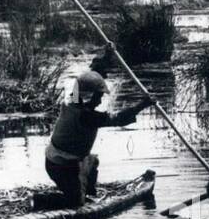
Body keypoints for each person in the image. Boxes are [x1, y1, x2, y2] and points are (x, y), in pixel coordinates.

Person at [45, 67, 152, 206]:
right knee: (76, 202)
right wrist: (143, 104)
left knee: (92, 161)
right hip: (60, 166)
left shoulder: (71, 101)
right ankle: (40, 200)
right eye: (98, 97)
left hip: (59, 160)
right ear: (89, 96)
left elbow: (89, 77)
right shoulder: (87, 116)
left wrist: (107, 57)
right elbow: (118, 118)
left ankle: (88, 192)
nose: (100, 101)